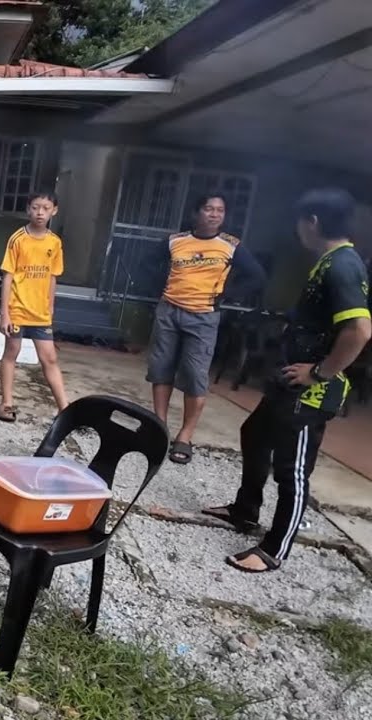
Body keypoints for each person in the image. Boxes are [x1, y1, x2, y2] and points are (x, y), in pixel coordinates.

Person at [203, 188, 370, 573]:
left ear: (312, 222)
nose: (298, 230)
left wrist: (319, 372)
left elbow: (360, 330)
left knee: (291, 470)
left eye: (300, 222)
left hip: (311, 392)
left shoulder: (343, 266)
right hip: (289, 380)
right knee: (254, 433)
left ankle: (274, 549)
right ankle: (244, 510)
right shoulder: (329, 261)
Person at [147, 194, 266, 464]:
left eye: (220, 210)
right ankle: (159, 427)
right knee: (161, 368)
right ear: (196, 213)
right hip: (169, 312)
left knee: (194, 374)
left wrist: (226, 295)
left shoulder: (231, 245)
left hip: (203, 317)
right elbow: (147, 264)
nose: (214, 214)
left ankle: (185, 435)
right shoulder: (175, 241)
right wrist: (160, 287)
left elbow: (257, 277)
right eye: (209, 209)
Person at [0, 191, 70, 422]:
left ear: (54, 211)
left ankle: (65, 409)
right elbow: (7, 276)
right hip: (17, 310)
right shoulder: (18, 239)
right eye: (35, 207)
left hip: (40, 313)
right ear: (28, 209)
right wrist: (4, 314)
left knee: (50, 358)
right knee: (11, 353)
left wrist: (50, 306)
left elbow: (53, 277)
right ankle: (6, 403)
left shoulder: (54, 242)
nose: (40, 213)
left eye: (45, 208)